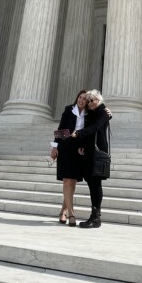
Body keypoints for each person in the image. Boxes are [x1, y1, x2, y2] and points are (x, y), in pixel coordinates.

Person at [70, 89, 110, 229]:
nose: (90, 103)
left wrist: (78, 134)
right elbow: (88, 128)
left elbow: (95, 128)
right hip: (89, 152)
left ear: (99, 100)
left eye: (93, 100)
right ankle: (94, 216)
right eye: (88, 101)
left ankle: (96, 217)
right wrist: (81, 144)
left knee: (96, 184)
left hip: (97, 153)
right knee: (91, 183)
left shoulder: (103, 112)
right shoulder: (91, 113)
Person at [50, 90, 88, 225]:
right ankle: (72, 214)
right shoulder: (69, 110)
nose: (81, 100)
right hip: (65, 148)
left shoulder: (88, 115)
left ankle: (62, 212)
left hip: (78, 150)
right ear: (76, 98)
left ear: (87, 102)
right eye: (80, 97)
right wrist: (54, 147)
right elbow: (60, 129)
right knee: (66, 180)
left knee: (72, 182)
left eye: (84, 98)